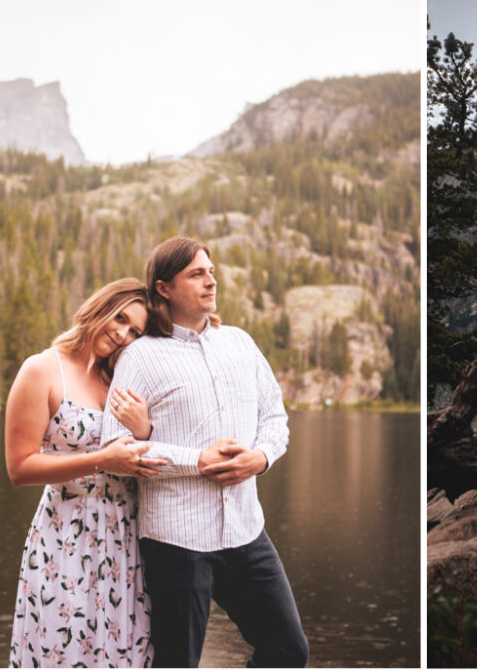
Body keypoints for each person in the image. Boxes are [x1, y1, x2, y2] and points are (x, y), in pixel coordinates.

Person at [101, 236, 309, 668]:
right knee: (178, 663)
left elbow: (276, 419)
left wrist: (261, 458)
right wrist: (196, 461)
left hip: (247, 534)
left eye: (211, 271)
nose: (210, 281)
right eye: (196, 274)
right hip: (177, 542)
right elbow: (115, 447)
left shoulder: (240, 343)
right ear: (164, 288)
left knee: (289, 650)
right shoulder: (140, 356)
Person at [6, 278, 166, 668]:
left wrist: (144, 431)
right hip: (63, 541)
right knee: (59, 650)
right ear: (101, 306)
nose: (123, 333)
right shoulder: (43, 369)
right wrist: (101, 460)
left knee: (124, 652)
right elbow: (20, 467)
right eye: (121, 318)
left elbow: (141, 457)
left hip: (125, 543)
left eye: (135, 332)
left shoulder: (121, 379)